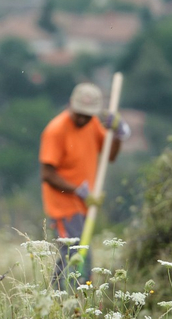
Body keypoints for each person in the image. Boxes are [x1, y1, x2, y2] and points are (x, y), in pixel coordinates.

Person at [39, 82, 130, 289]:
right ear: (71, 104)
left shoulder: (91, 124)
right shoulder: (56, 130)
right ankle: (60, 301)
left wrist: (118, 133)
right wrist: (78, 191)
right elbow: (47, 174)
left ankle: (72, 300)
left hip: (84, 206)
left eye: (87, 115)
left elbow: (111, 155)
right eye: (79, 113)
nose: (82, 119)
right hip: (64, 207)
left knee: (81, 257)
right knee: (75, 256)